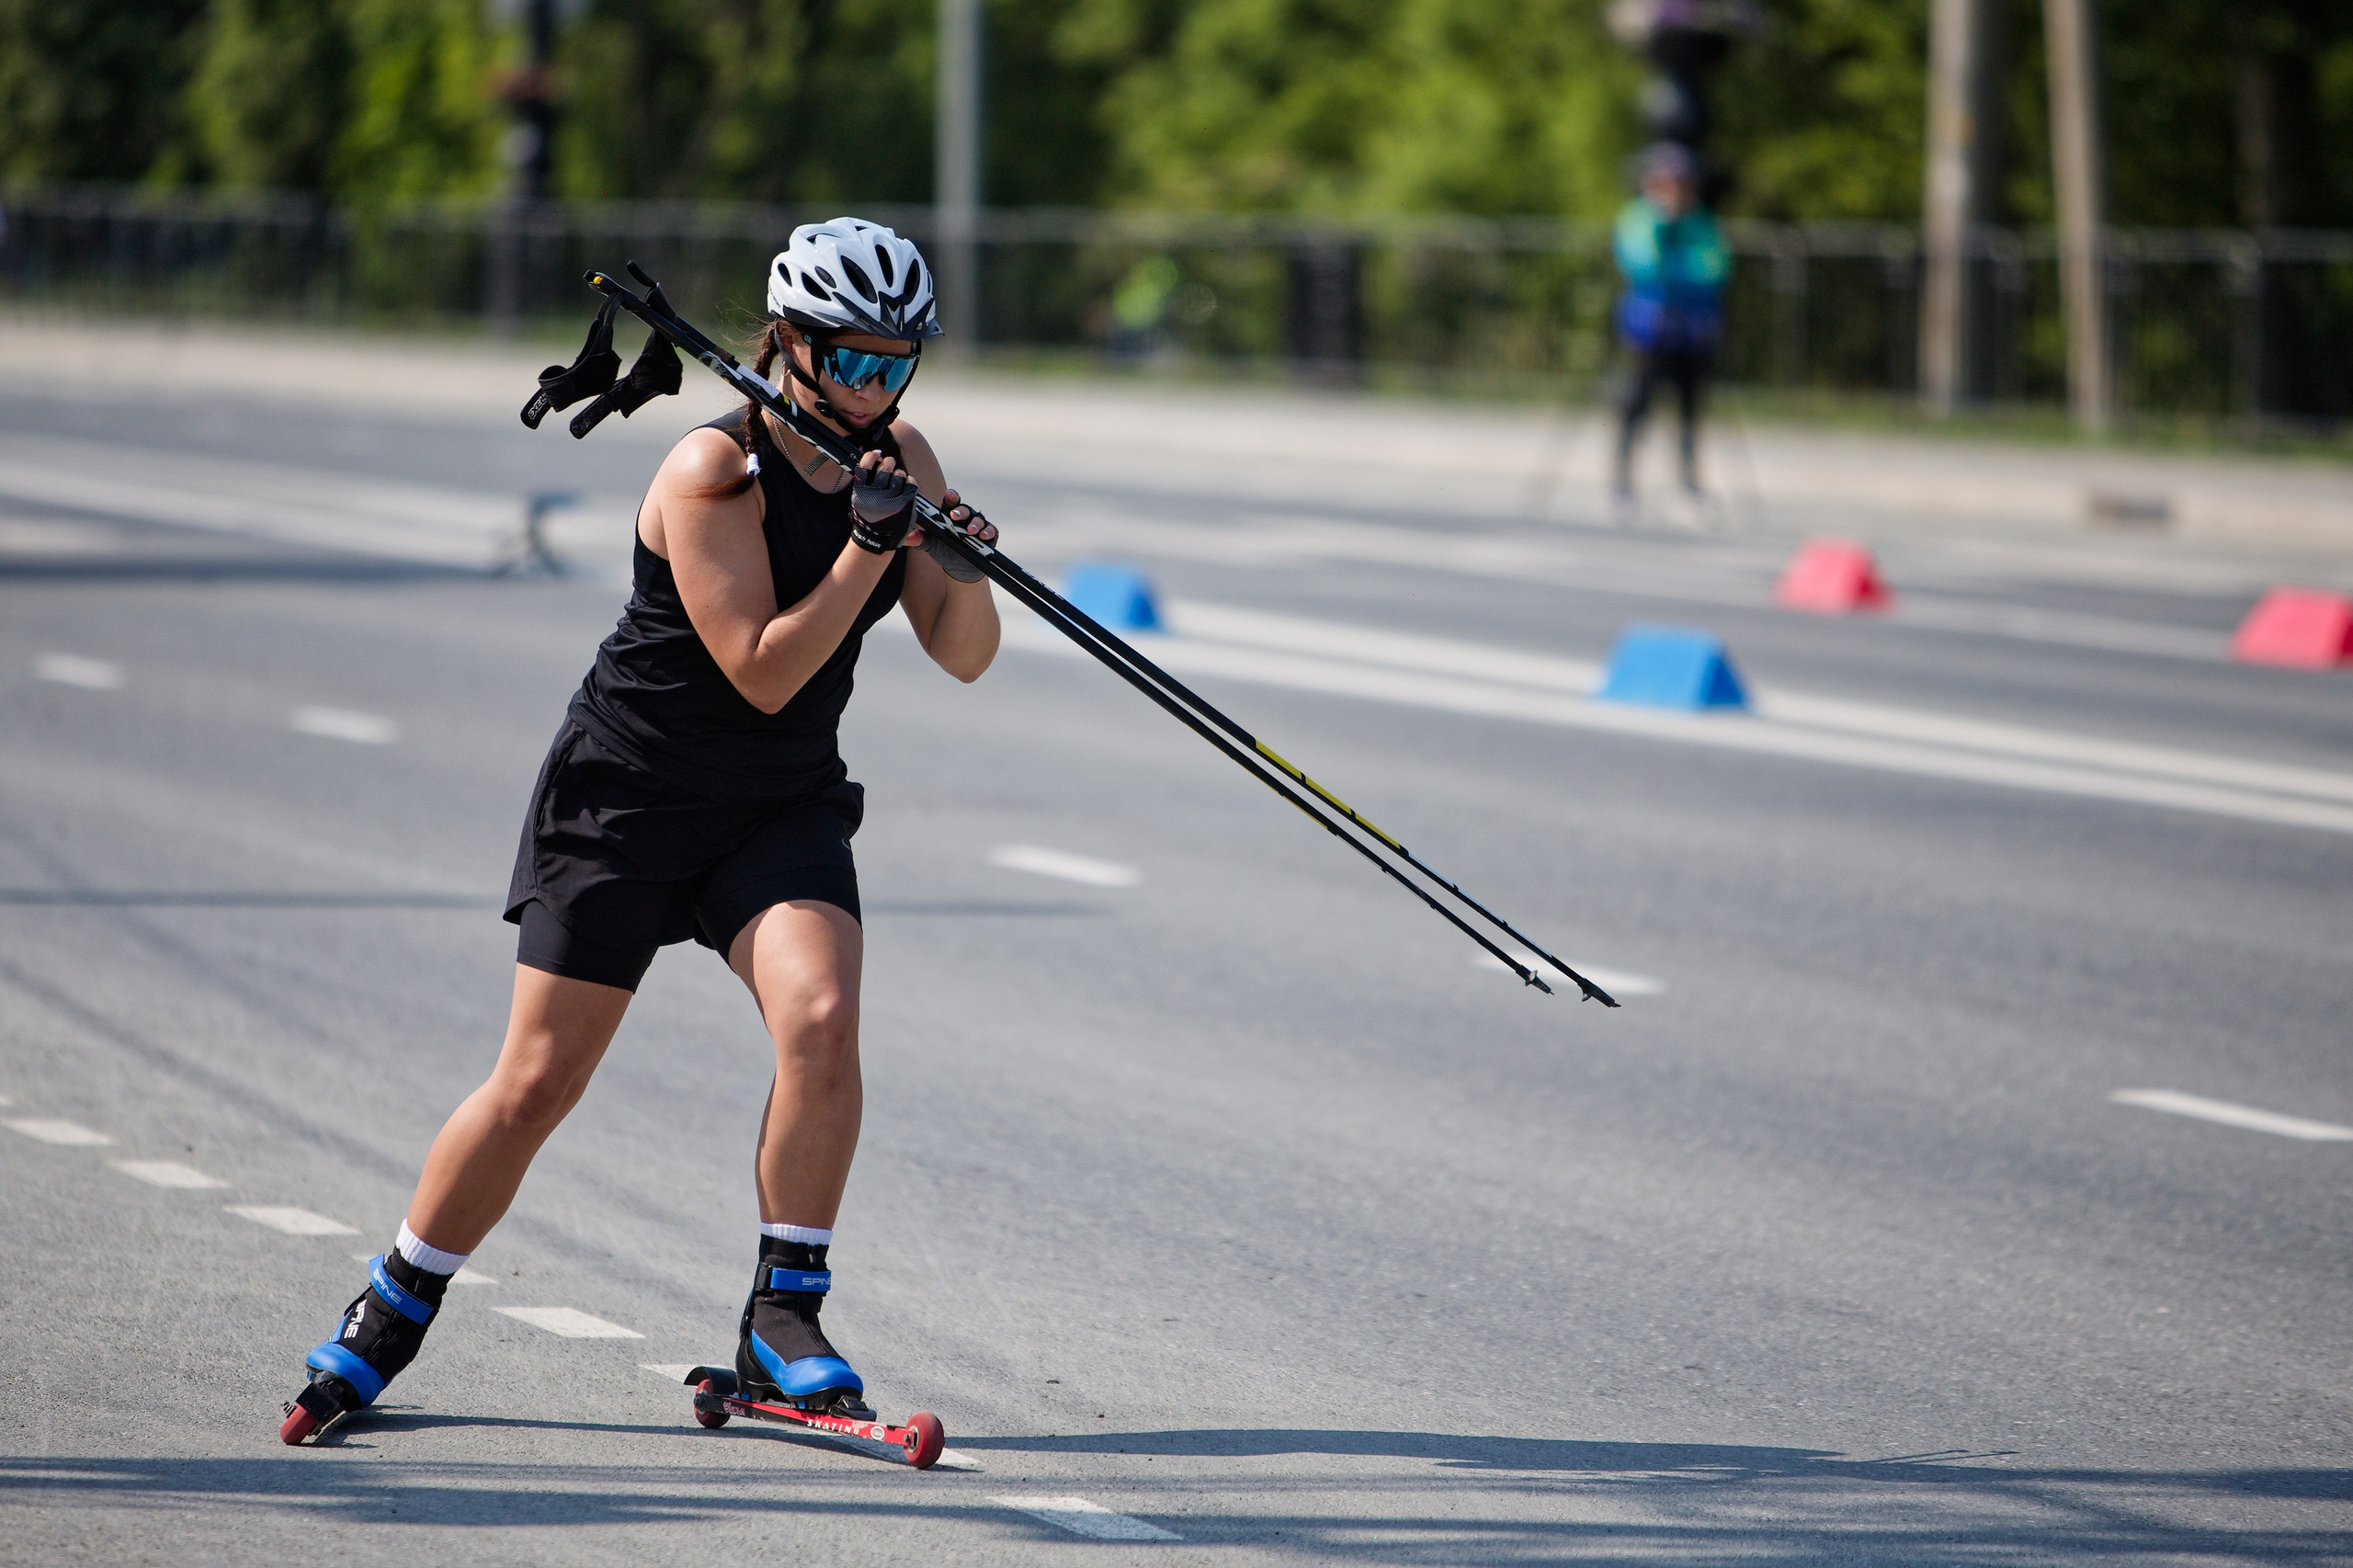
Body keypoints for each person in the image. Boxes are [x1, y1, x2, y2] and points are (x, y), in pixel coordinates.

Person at [282, 218, 1001, 1440]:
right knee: (537, 1082)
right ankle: (393, 1304)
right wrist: (872, 546)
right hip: (626, 798)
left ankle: (784, 1315)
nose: (880, 389)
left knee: (821, 1017)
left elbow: (965, 656)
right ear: (791, 343)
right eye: (857, 363)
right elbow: (764, 666)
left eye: (900, 365)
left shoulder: (900, 454)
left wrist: (957, 558)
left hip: (776, 805)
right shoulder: (707, 474)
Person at [1610, 141, 1730, 520]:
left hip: (1692, 330)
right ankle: (1623, 483)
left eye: (1680, 182)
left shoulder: (1701, 223)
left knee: (1690, 406)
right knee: (1638, 402)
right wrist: (1664, 237)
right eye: (1665, 181)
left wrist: (1683, 278)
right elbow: (1642, 266)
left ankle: (1688, 484)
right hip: (1649, 329)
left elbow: (1715, 270)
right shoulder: (1640, 218)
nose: (1673, 190)